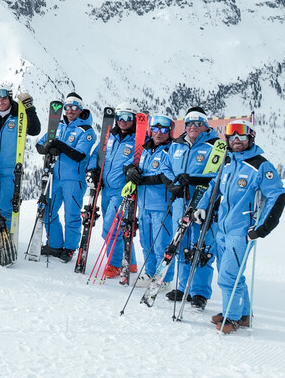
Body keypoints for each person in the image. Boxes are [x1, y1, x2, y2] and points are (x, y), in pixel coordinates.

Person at [205, 120, 285, 333]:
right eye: (233, 136)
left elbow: (277, 195)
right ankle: (243, 314)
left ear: (250, 137)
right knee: (233, 273)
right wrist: (202, 207)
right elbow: (215, 186)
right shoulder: (228, 162)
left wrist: (261, 227)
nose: (237, 140)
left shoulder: (260, 165)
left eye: (241, 135)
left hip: (242, 232)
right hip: (222, 228)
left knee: (228, 277)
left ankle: (231, 319)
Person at [164, 107, 221, 305]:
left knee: (201, 248)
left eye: (198, 123)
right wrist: (172, 183)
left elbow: (219, 177)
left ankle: (199, 292)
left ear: (206, 125)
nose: (193, 127)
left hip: (202, 203)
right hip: (181, 202)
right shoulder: (177, 145)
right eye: (189, 123)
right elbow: (166, 166)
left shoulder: (216, 146)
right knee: (181, 243)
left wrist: (196, 185)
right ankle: (182, 287)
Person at [36, 92, 96, 262]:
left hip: (73, 180)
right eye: (68, 107)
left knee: (71, 215)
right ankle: (55, 244)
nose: (70, 110)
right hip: (54, 178)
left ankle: (70, 247)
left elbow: (79, 155)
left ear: (80, 109)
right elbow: (39, 145)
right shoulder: (58, 126)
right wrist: (48, 147)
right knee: (48, 211)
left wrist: (58, 145)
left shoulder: (86, 131)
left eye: (74, 107)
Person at [125, 115, 179, 288]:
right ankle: (149, 273)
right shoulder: (146, 149)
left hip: (162, 206)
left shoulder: (172, 150)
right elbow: (129, 164)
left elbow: (166, 176)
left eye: (163, 129)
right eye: (155, 129)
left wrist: (144, 180)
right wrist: (131, 171)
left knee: (161, 244)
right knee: (146, 242)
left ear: (169, 131)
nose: (159, 133)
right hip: (144, 205)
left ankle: (164, 278)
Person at [0, 87, 40, 231]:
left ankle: (5, 235)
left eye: (4, 99)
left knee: (6, 207)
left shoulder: (19, 116)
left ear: (10, 99)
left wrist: (29, 109)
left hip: (10, 169)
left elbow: (34, 130)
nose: (1, 102)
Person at [92, 104, 140, 274]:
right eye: (119, 117)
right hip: (106, 189)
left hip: (123, 191)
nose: (122, 121)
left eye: (127, 117)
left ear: (134, 119)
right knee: (117, 229)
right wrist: (93, 169)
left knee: (109, 229)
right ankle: (131, 262)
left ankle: (115, 264)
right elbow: (97, 154)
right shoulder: (110, 137)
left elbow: (145, 161)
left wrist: (135, 171)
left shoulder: (138, 141)